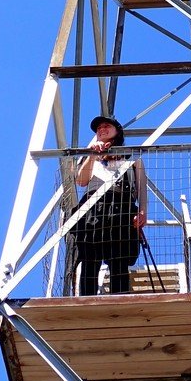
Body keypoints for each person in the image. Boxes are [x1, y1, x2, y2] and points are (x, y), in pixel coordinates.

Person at [68, 115, 147, 295]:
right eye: (98, 128)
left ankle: (120, 297)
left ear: (117, 130)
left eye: (106, 126)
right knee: (90, 256)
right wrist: (92, 156)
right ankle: (86, 299)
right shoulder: (89, 155)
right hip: (93, 208)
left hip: (122, 208)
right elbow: (81, 180)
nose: (101, 129)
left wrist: (143, 212)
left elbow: (142, 188)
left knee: (119, 258)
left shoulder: (133, 156)